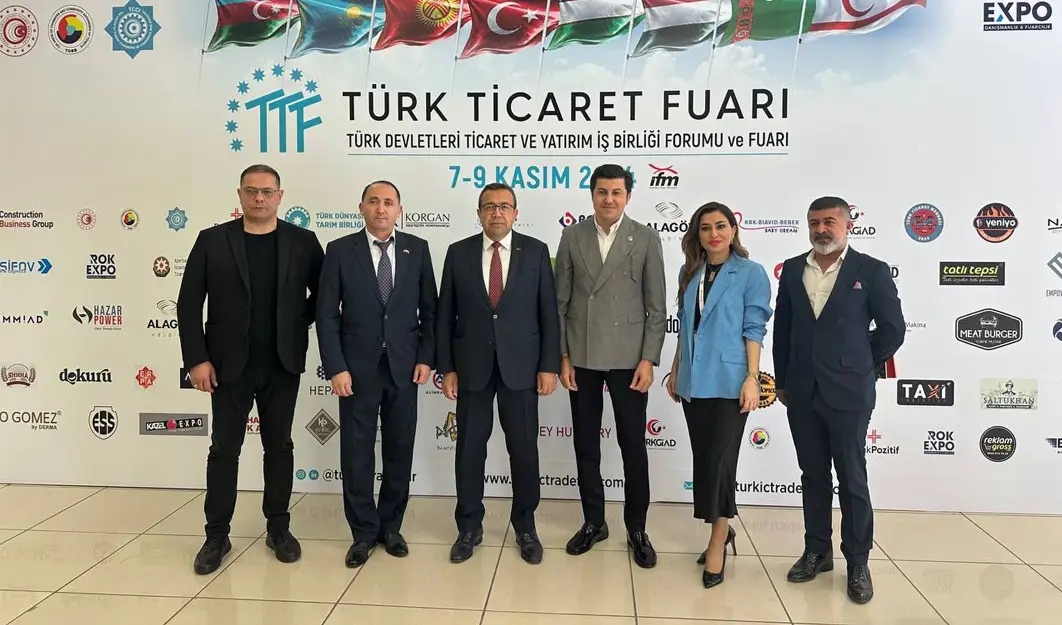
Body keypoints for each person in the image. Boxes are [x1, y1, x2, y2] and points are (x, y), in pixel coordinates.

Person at [177, 164, 324, 575]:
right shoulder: (212, 241)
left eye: (267, 191)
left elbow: (325, 295)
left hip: (282, 363)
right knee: (224, 450)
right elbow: (188, 304)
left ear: (280, 196)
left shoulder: (303, 242)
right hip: (227, 367)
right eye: (251, 191)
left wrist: (295, 322)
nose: (259, 198)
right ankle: (216, 536)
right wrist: (197, 359)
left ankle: (278, 529)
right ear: (240, 194)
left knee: (279, 447)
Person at [773, 196, 905, 604]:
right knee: (813, 475)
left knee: (851, 477)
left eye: (830, 221)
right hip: (801, 390)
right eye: (814, 222)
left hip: (849, 390)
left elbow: (893, 329)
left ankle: (858, 561)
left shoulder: (872, 270)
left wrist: (860, 362)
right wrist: (782, 381)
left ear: (848, 225)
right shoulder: (793, 269)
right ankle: (817, 551)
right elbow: (783, 330)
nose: (821, 229)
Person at [435, 182, 560, 565]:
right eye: (489, 206)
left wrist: (549, 366)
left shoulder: (536, 251)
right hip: (471, 368)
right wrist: (446, 368)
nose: (497, 213)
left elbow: (548, 314)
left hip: (521, 368)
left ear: (516, 213)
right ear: (479, 213)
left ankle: (525, 526)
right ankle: (468, 527)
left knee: (523, 450)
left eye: (505, 206)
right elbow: (444, 315)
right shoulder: (457, 253)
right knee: (469, 450)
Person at [316, 180, 438, 568]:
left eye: (388, 202)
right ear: (362, 208)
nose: (381, 208)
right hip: (356, 371)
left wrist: (426, 357)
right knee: (356, 454)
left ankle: (391, 528)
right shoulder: (340, 250)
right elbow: (326, 314)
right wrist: (336, 366)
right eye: (373, 202)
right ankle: (363, 532)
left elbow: (430, 310)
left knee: (399, 450)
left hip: (404, 368)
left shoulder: (417, 248)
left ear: (399, 210)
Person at [554, 164, 667, 569]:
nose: (609, 199)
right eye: (602, 192)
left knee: (633, 445)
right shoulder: (572, 236)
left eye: (617, 192)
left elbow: (657, 307)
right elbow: (560, 303)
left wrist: (649, 359)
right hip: (582, 355)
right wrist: (563, 356)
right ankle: (594, 522)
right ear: (592, 195)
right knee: (586, 443)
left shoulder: (646, 237)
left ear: (628, 196)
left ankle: (637, 528)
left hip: (629, 358)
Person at [664, 202, 772, 588]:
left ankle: (717, 538)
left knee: (721, 460)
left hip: (730, 381)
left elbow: (754, 328)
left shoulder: (751, 273)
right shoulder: (689, 271)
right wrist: (677, 367)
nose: (714, 234)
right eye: (706, 227)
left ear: (733, 230)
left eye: (721, 226)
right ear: (697, 234)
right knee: (705, 458)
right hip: (695, 381)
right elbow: (686, 325)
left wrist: (752, 378)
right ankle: (722, 528)